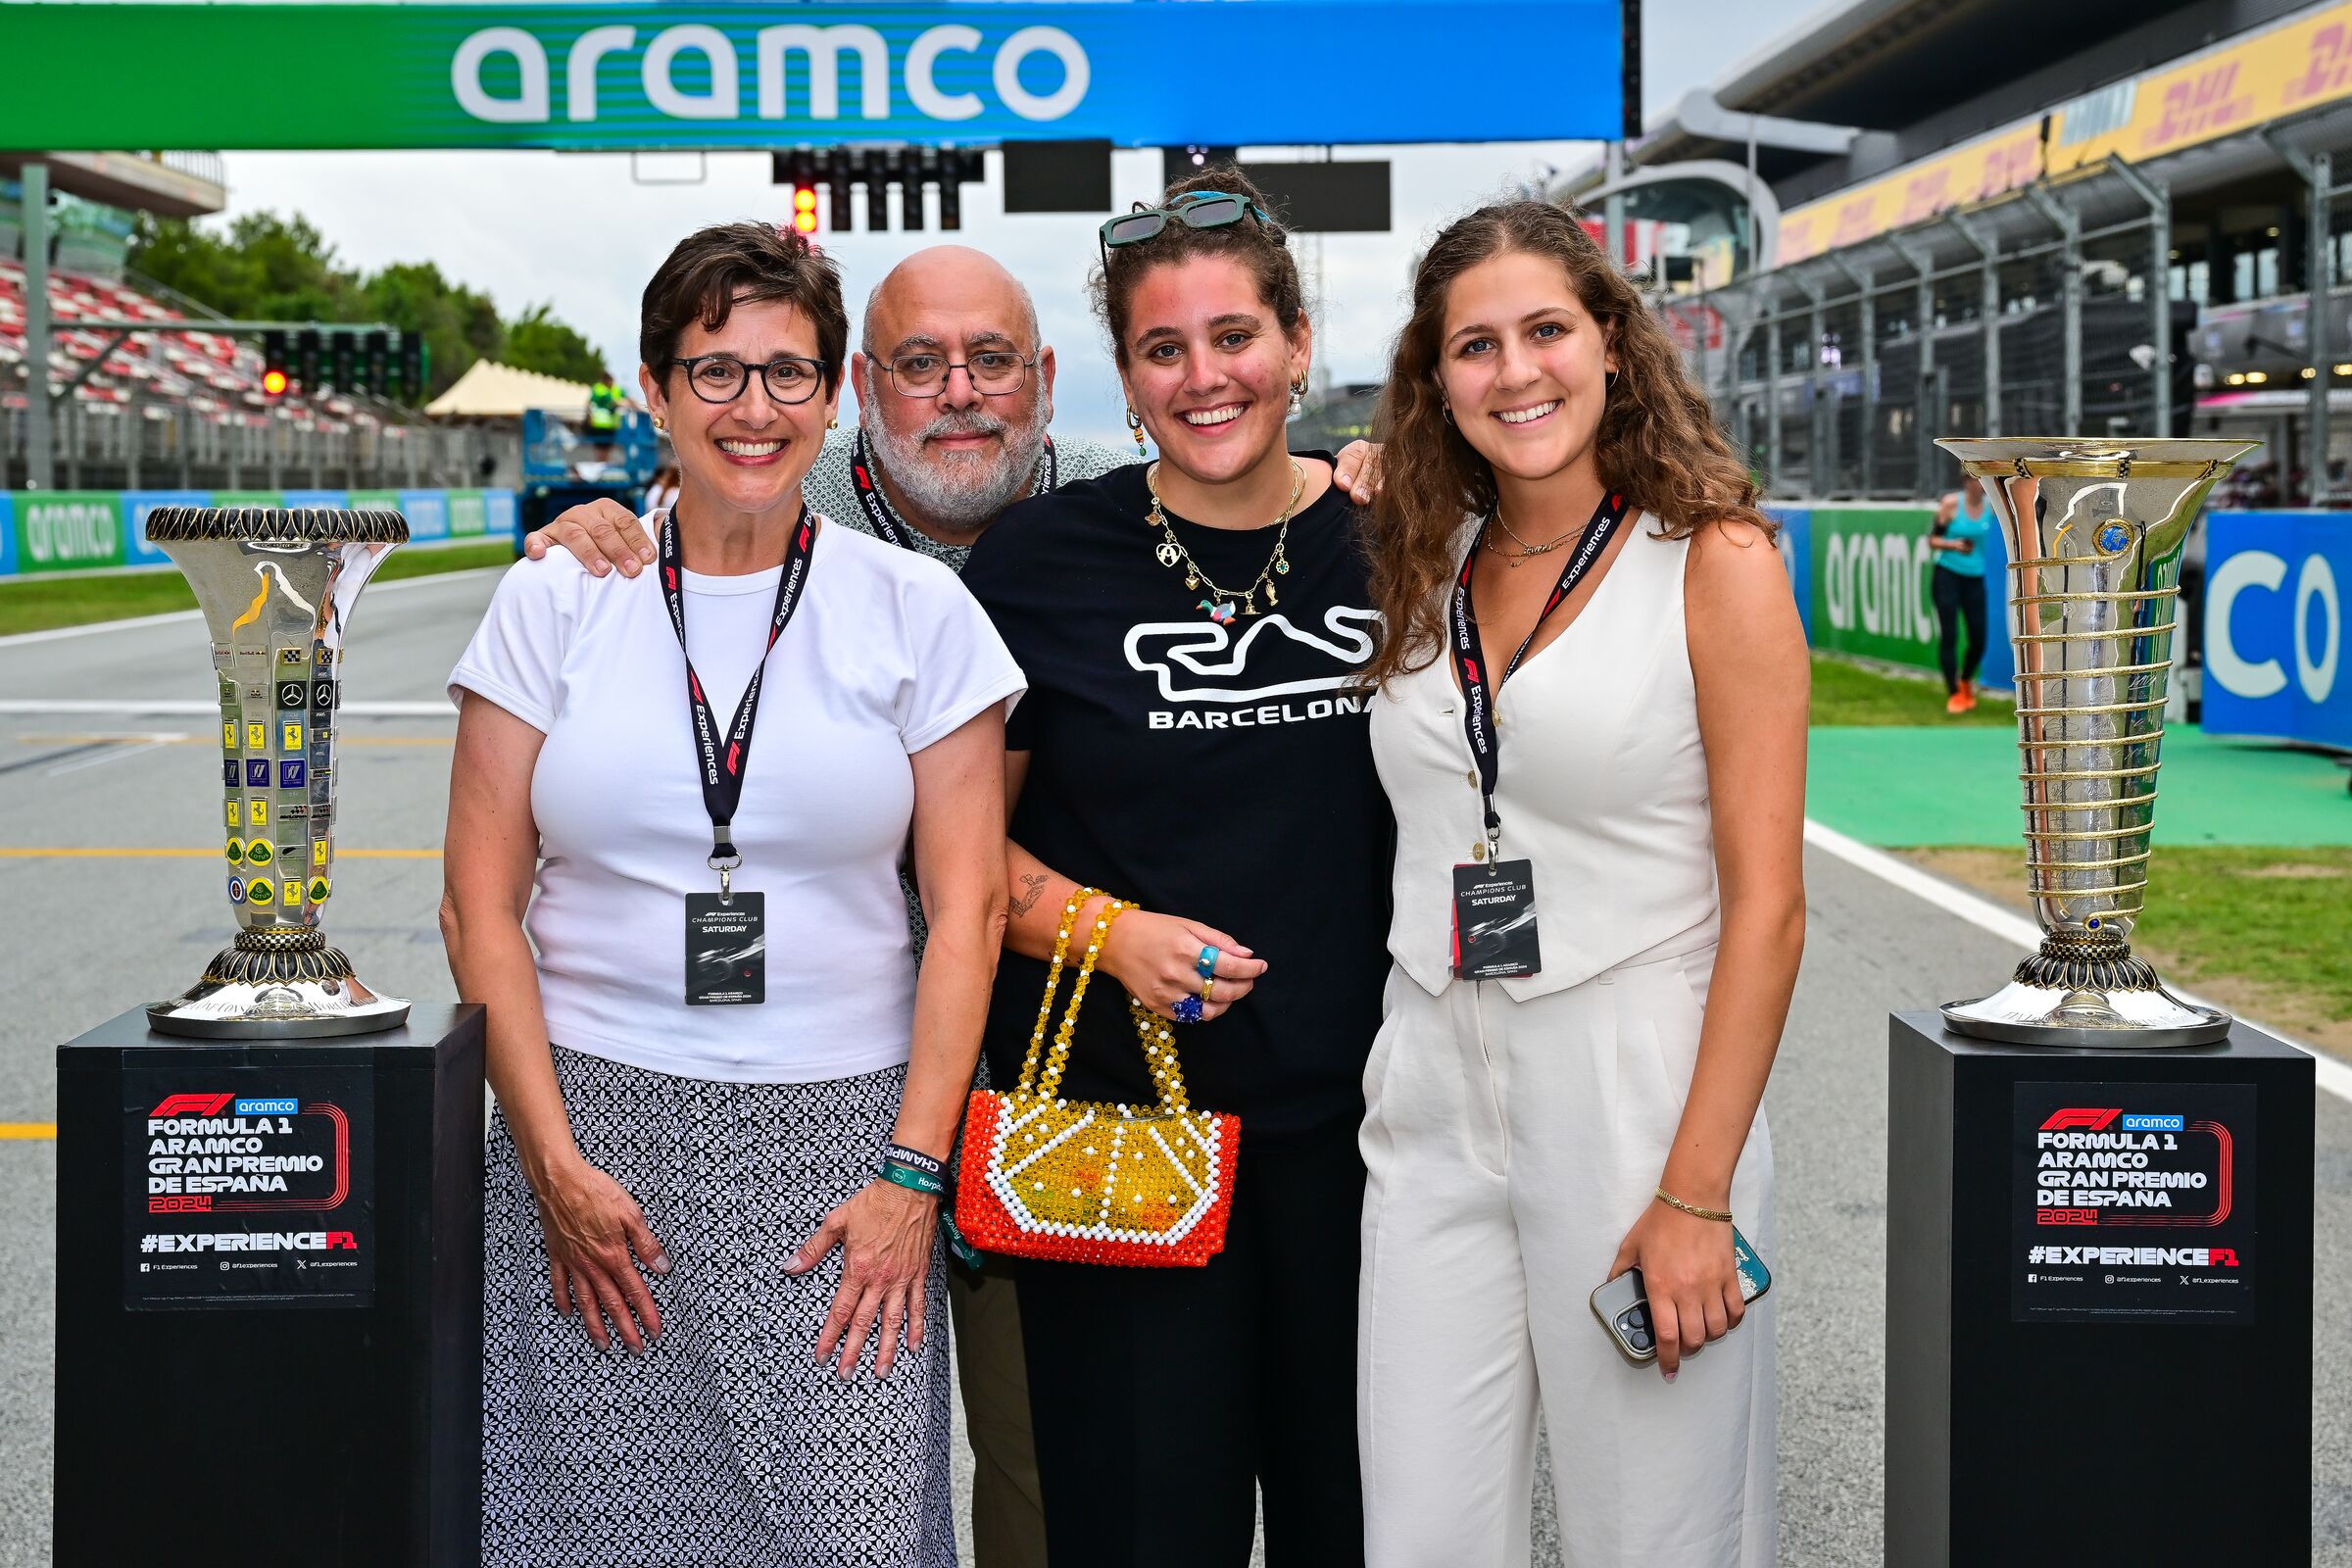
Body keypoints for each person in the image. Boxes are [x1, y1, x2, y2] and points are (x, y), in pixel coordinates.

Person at [523, 240, 1382, 1568]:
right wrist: (607, 529)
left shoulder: (1113, 515)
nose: (959, 392)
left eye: (991, 361)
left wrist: (1356, 473)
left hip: (1054, 1072)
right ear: (862, 385)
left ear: (1045, 381)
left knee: (1045, 1451)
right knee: (786, 1447)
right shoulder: (774, 498)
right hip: (841, 1065)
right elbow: (679, 539)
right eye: (920, 365)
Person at [441, 220, 1024, 1568]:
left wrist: (908, 1180)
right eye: (714, 372)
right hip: (592, 1137)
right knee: (592, 1534)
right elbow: (480, 912)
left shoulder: (917, 612)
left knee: (850, 1534)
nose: (753, 409)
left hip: (846, 1153)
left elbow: (970, 914)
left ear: (835, 398)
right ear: (653, 389)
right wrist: (549, 1167)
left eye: (789, 373)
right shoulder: (555, 602)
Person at [1356, 200, 1806, 1566]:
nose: (1516, 372)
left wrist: (1695, 1194)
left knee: (1658, 1537)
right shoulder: (1424, 565)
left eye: (1545, 330)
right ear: (1437, 382)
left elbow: (1771, 908)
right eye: (1474, 346)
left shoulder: (1713, 560)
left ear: (1611, 343)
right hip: (1429, 1091)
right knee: (1421, 1536)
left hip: (1635, 1095)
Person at [955, 171, 1390, 1568]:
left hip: (1380, 1139)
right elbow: (952, 853)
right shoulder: (1035, 561)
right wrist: (1103, 930)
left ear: (1299, 342)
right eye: (1165, 349)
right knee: (1144, 1532)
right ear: (1128, 378)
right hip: (1120, 1140)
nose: (1207, 377)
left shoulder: (1408, 534)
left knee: (1362, 1521)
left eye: (1235, 337)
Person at [1930, 472, 1993, 712]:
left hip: (1974, 578)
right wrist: (1954, 545)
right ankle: (1954, 693)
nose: (1980, 485)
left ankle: (1965, 679)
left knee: (1979, 638)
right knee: (1950, 635)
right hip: (1947, 575)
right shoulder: (1951, 505)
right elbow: (1933, 540)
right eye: (1976, 480)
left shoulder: (1990, 507)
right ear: (1967, 482)